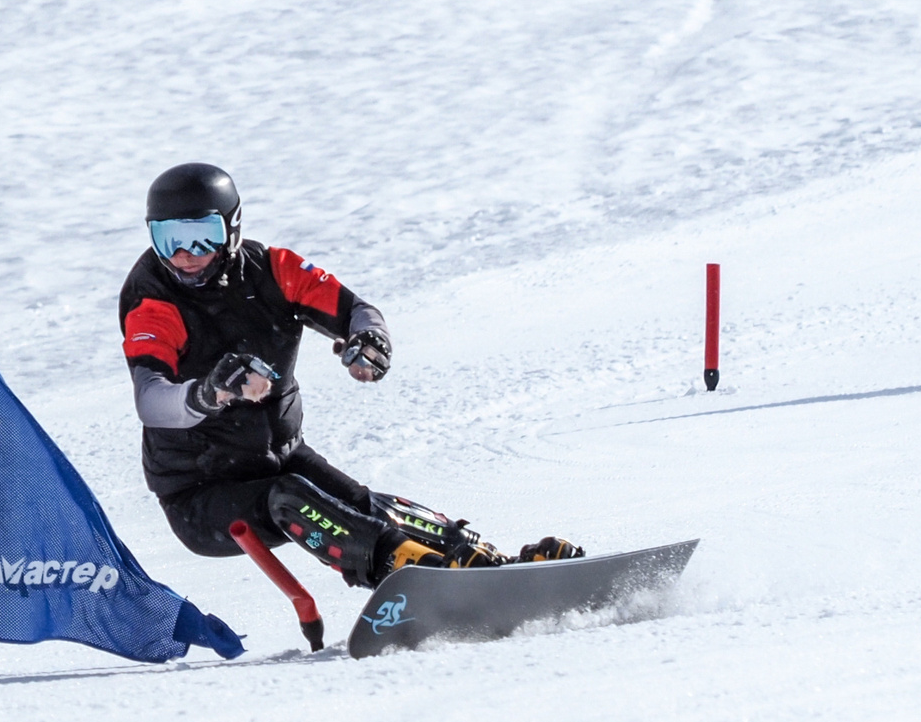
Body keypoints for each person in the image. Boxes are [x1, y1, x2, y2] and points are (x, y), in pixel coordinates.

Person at [119, 162, 578, 588]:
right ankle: (415, 577)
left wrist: (369, 340)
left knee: (361, 505)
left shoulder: (273, 270)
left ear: (232, 227)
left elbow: (356, 311)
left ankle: (485, 564)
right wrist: (210, 392)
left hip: (278, 456)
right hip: (199, 493)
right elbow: (151, 400)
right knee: (291, 498)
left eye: (201, 236)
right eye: (168, 239)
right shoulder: (153, 301)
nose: (184, 255)